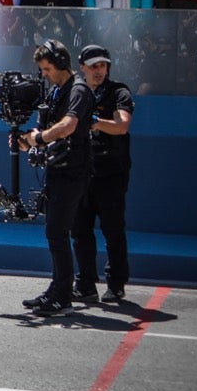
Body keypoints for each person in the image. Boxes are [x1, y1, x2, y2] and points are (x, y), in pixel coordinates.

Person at [18, 40, 93, 318]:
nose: (45, 74)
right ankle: (57, 288)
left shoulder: (78, 90)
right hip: (57, 168)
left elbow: (68, 125)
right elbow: (45, 127)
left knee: (57, 232)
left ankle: (62, 295)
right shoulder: (56, 91)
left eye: (47, 69)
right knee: (55, 232)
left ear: (61, 63)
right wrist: (27, 139)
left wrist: (40, 137)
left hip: (73, 171)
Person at [71, 44, 133, 305]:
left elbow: (121, 126)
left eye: (103, 65)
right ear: (82, 67)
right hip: (81, 171)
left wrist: (95, 122)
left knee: (112, 229)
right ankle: (85, 283)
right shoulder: (75, 91)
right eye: (94, 66)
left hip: (111, 173)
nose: (99, 71)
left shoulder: (119, 91)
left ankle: (116, 284)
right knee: (79, 230)